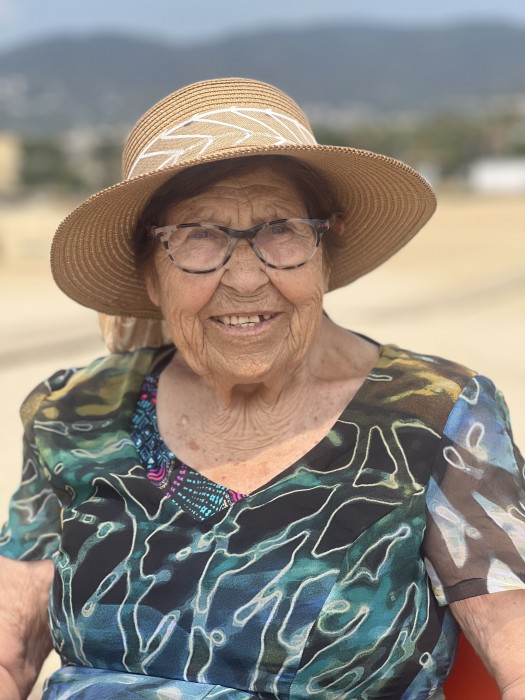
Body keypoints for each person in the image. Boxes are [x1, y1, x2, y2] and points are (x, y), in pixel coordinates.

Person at [0, 77, 524, 700]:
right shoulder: (76, 413)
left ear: (326, 247)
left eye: (281, 228)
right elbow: (9, 654)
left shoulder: (435, 413)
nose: (246, 278)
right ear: (150, 272)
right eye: (199, 235)